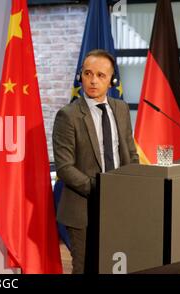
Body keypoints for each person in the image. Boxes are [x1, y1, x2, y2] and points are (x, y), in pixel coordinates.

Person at [52, 49, 138, 274]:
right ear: (80, 76)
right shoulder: (67, 115)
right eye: (88, 73)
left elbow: (130, 153)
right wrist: (101, 188)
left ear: (112, 80)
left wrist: (131, 184)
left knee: (117, 265)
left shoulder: (121, 109)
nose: (93, 80)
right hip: (83, 207)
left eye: (101, 75)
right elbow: (65, 167)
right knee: (85, 268)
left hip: (120, 205)